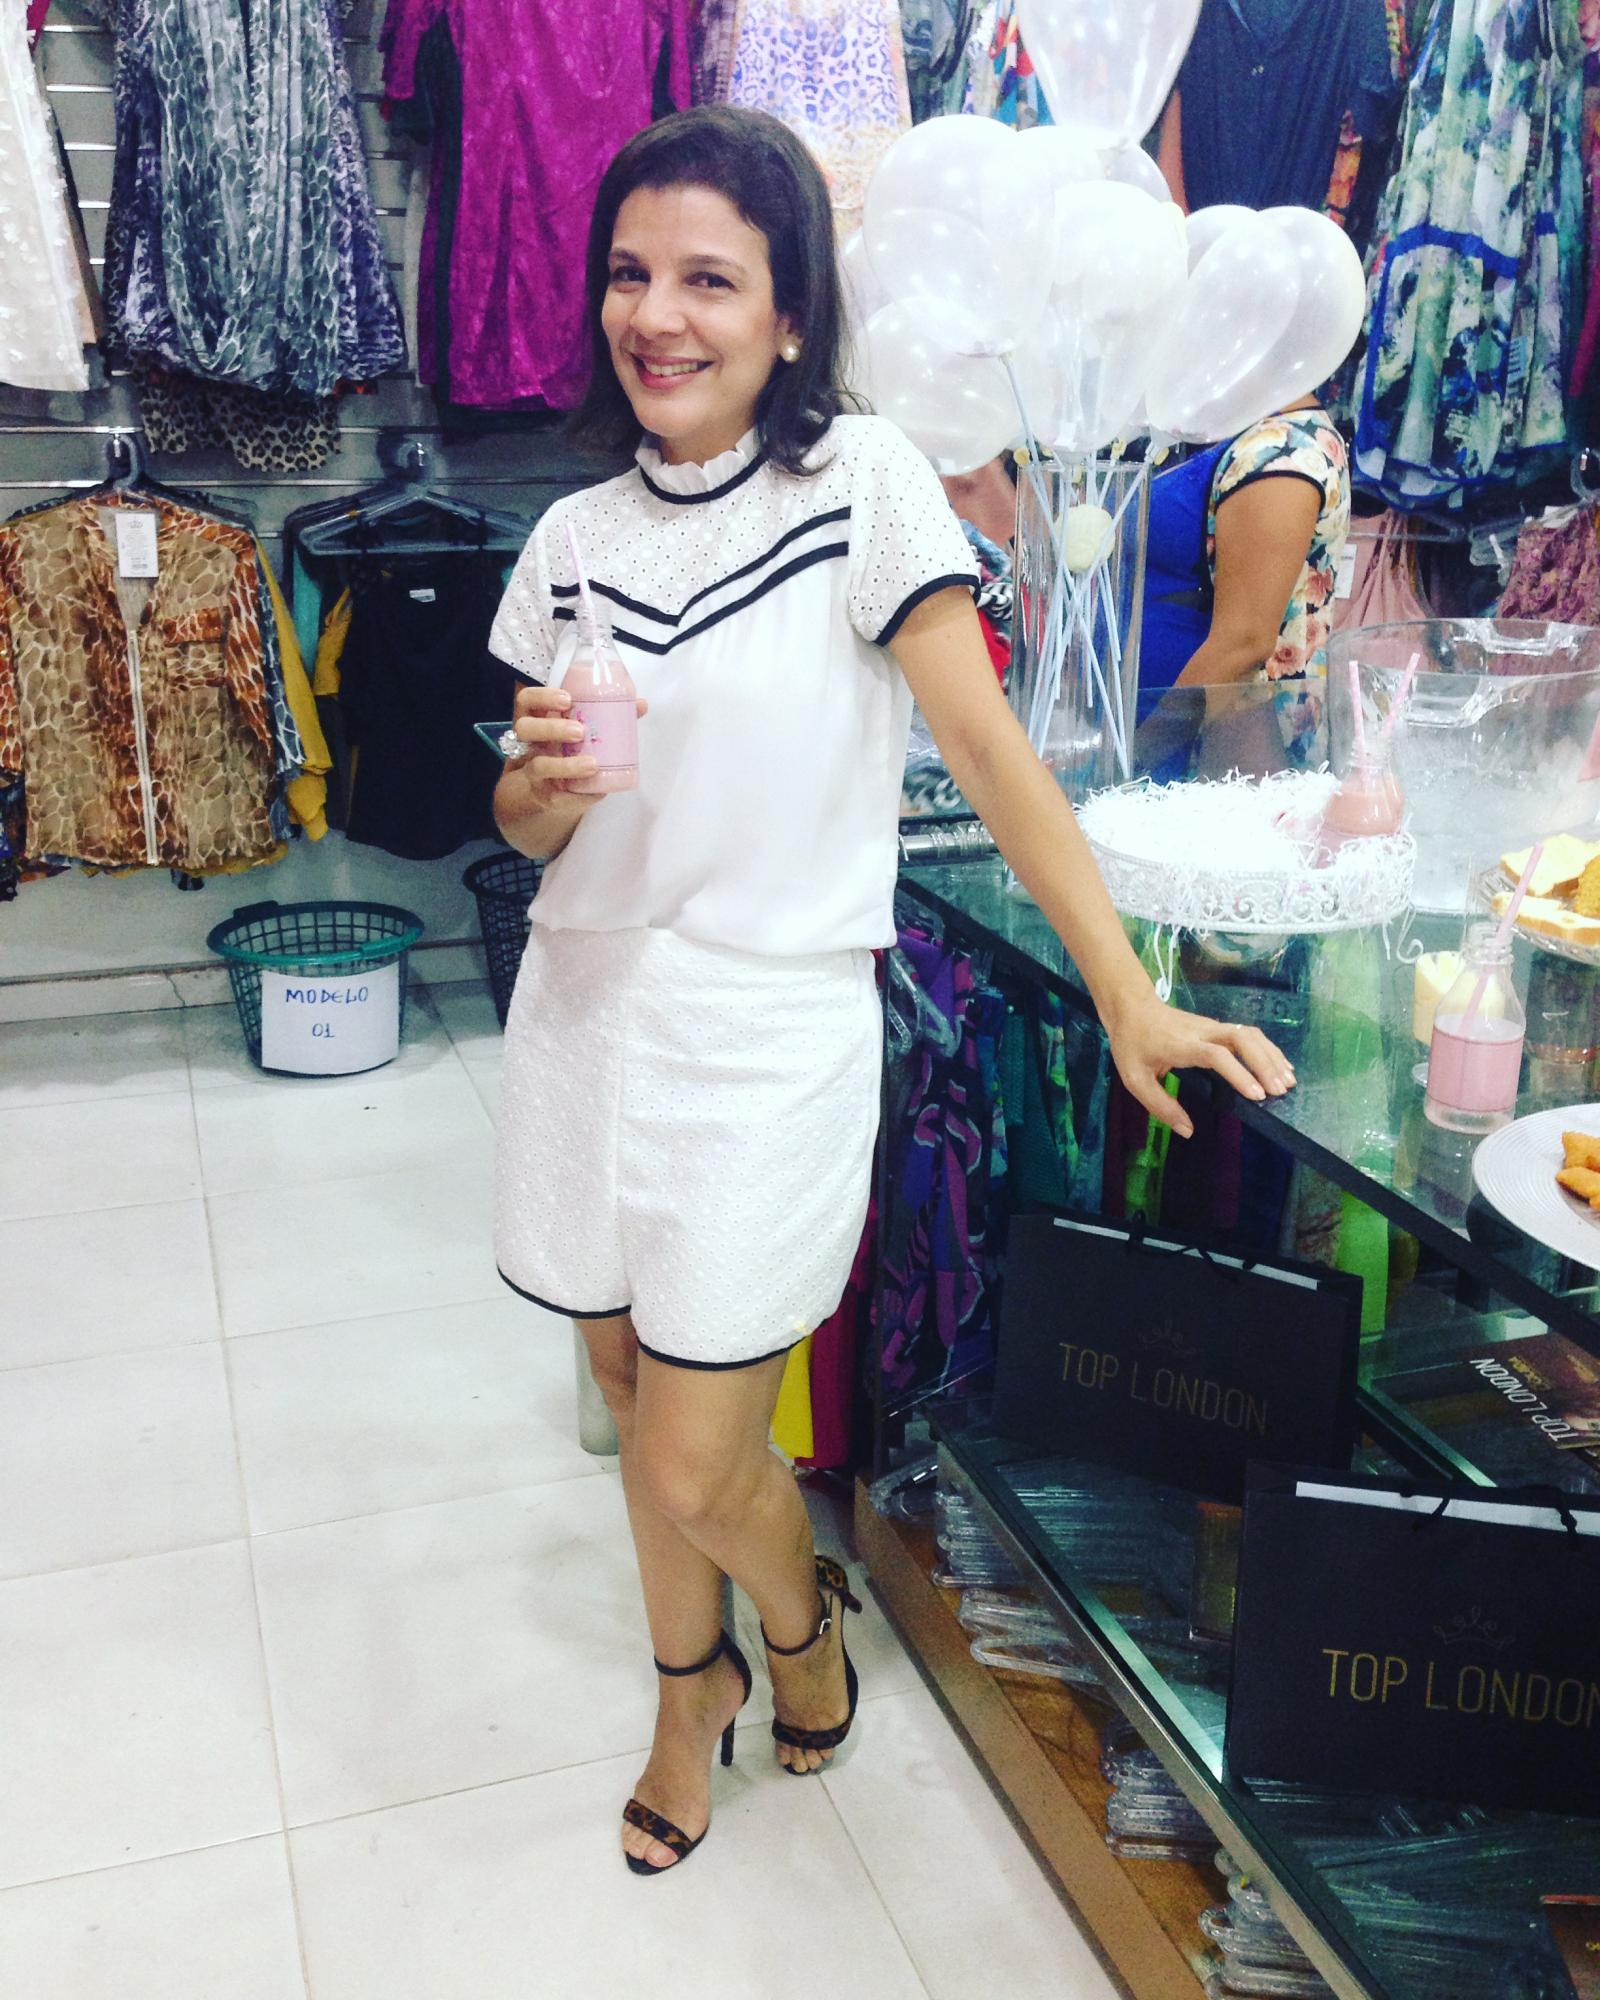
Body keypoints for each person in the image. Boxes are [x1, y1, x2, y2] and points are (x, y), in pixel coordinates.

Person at [487, 103, 1294, 1878]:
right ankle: (684, 1690)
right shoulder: (569, 539)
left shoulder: (859, 485)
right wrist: (535, 790)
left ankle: (793, 1630)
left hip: (765, 1030)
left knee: (698, 1456)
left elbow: (991, 750)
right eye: (630, 272)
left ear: (793, 315)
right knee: (628, 1392)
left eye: (711, 279)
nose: (656, 315)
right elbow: (527, 816)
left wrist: (1122, 991)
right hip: (585, 1017)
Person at [1137, 399, 1350, 773]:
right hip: (1197, 741)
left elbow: (1244, 644)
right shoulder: (1259, 437)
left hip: (1219, 753)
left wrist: (1132, 757)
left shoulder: (1279, 454)